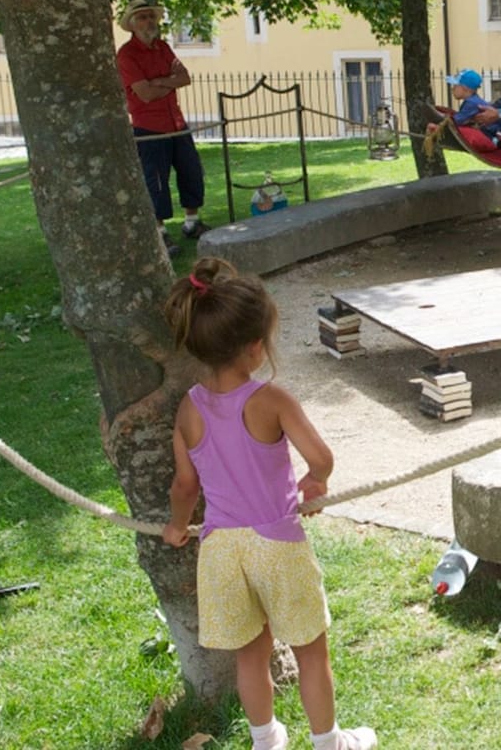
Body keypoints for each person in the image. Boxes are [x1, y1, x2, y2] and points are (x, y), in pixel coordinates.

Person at [162, 259, 379, 750]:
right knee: (311, 653)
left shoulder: (188, 407)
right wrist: (315, 482)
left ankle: (266, 740)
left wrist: (177, 528)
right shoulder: (272, 399)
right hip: (276, 545)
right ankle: (329, 743)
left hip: (220, 552)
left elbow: (184, 486)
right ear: (255, 347)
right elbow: (320, 456)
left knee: (249, 657)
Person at [116, 0, 208, 255]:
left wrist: (158, 81)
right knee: (156, 180)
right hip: (149, 126)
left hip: (176, 122)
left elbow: (185, 78)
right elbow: (143, 93)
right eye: (142, 17)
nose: (148, 21)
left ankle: (192, 222)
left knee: (191, 169)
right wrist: (168, 80)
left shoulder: (164, 48)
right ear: (133, 24)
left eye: (151, 16)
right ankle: (160, 233)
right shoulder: (127, 55)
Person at [426, 69, 490, 138]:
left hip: (490, 136)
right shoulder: (473, 101)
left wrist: (439, 115)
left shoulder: (471, 103)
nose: (452, 88)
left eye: (455, 85)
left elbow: (454, 122)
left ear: (465, 88)